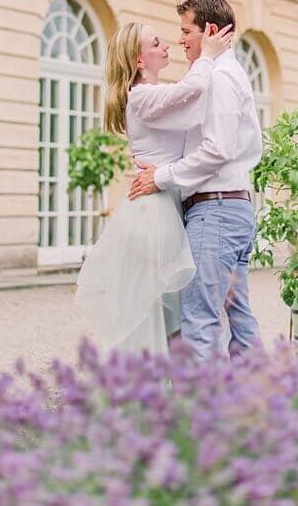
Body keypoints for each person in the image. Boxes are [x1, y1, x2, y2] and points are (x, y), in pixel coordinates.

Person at [75, 18, 234, 354]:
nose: (167, 46)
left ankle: (157, 389)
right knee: (152, 313)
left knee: (158, 313)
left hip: (161, 204)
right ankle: (146, 392)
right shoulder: (142, 96)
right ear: (139, 61)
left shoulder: (150, 96)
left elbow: (193, 106)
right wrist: (208, 53)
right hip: (154, 212)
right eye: (157, 42)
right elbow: (192, 90)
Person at [130, 0, 264, 361]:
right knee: (240, 319)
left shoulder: (219, 78)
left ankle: (203, 417)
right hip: (232, 209)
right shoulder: (226, 73)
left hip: (215, 214)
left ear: (209, 31)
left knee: (199, 323)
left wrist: (162, 175)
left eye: (186, 30)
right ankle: (264, 403)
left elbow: (216, 149)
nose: (180, 40)